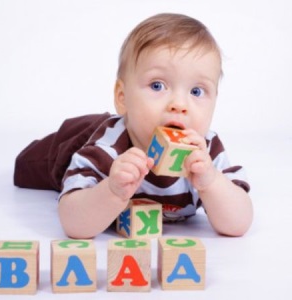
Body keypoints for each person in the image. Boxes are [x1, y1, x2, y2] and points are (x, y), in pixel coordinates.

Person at [14, 13, 253, 239]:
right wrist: (111, 191)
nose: (180, 104)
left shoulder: (207, 153)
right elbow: (73, 223)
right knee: (28, 165)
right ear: (122, 97)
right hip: (73, 142)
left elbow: (239, 223)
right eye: (158, 86)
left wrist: (211, 183)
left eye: (196, 91)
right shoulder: (106, 149)